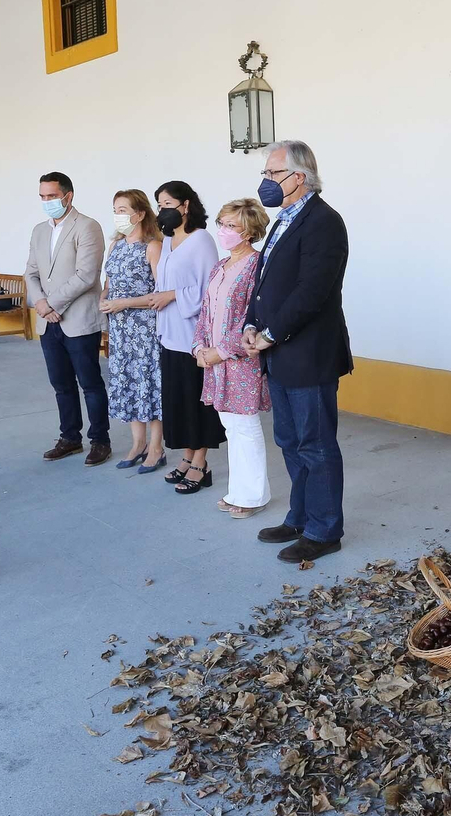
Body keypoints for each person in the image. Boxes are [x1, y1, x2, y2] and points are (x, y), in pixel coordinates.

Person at [242, 140, 352, 563]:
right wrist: (253, 323)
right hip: (279, 350)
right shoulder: (283, 220)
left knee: (315, 443)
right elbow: (266, 281)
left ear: (298, 177)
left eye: (272, 174)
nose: (265, 183)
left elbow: (313, 291)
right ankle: (301, 516)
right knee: (289, 440)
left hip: (308, 353)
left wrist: (270, 333)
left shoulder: (324, 222)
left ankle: (325, 531)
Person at [24, 172, 111, 466]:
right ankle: (70, 437)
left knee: (90, 383)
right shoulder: (39, 231)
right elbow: (31, 272)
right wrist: (39, 303)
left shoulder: (87, 227)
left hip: (78, 319)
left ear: (67, 196)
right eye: (42, 197)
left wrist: (51, 303)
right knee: (61, 384)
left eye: (51, 196)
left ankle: (100, 440)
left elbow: (87, 275)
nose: (46, 201)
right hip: (48, 321)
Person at [195, 199, 271, 518]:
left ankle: (253, 496)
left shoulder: (257, 265)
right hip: (214, 360)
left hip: (240, 359)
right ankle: (238, 491)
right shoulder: (220, 266)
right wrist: (200, 346)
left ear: (249, 231)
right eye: (221, 224)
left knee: (245, 425)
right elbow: (206, 310)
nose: (223, 231)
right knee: (230, 426)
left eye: (231, 226)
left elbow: (251, 316)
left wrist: (221, 351)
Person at [151, 180, 224, 491]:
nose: (162, 211)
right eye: (159, 205)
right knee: (178, 399)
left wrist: (172, 296)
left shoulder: (201, 239)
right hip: (170, 332)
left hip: (193, 334)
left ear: (185, 205)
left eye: (167, 204)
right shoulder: (168, 241)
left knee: (196, 400)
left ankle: (201, 462)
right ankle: (186, 455)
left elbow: (210, 288)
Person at [99, 190, 165, 472]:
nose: (118, 215)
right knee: (127, 383)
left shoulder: (152, 246)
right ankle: (137, 443)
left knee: (149, 385)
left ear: (139, 214)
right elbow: (109, 281)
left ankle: (156, 447)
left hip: (145, 328)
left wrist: (124, 302)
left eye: (123, 209)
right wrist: (105, 298)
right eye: (115, 208)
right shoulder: (115, 244)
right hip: (120, 328)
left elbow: (160, 292)